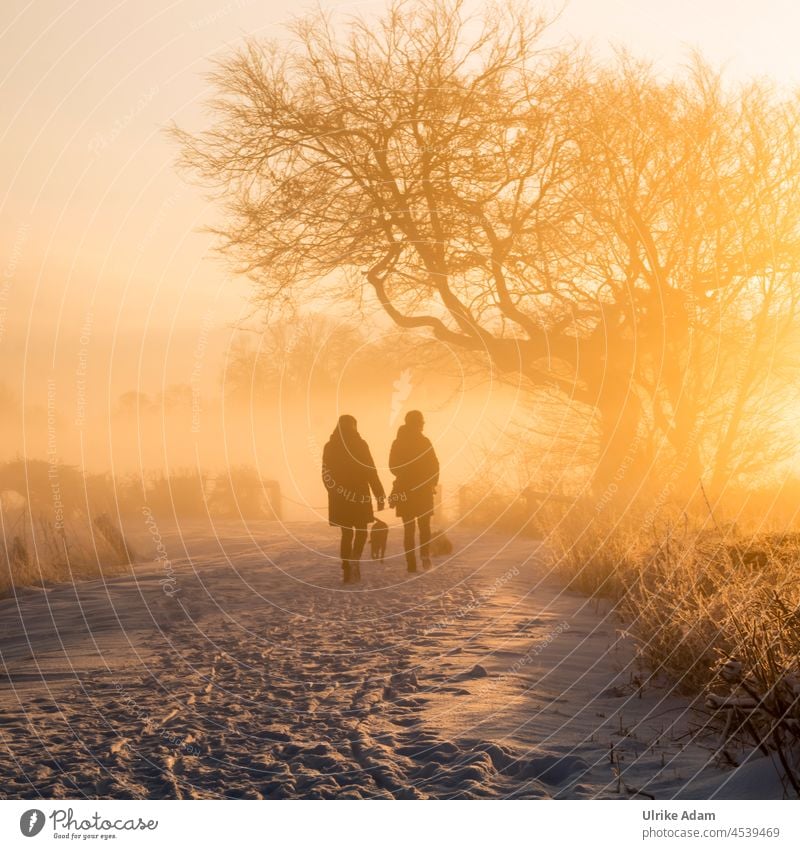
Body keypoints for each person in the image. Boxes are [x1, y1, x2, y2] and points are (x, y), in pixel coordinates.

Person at [322, 415, 386, 584]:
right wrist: (379, 494)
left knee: (346, 533)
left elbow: (326, 474)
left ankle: (346, 567)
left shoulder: (330, 446)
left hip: (340, 498)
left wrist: (333, 492)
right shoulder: (360, 445)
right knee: (362, 530)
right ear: (354, 427)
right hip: (359, 495)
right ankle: (355, 557)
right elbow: (371, 471)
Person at [389, 410, 439, 573]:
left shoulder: (398, 442)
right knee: (424, 527)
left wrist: (404, 474)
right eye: (421, 422)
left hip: (405, 490)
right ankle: (425, 556)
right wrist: (432, 483)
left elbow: (392, 466)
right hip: (423, 490)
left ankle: (411, 563)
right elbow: (435, 465)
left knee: (408, 529)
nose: (423, 425)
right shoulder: (425, 442)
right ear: (418, 424)